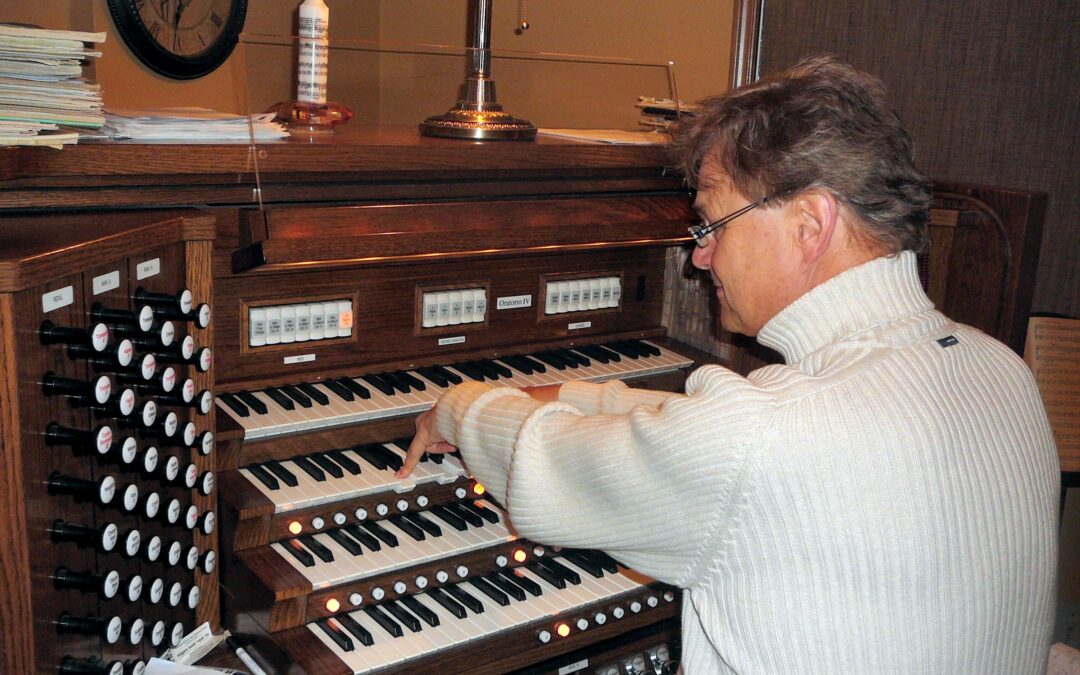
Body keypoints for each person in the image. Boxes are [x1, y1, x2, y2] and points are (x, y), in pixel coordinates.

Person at [397, 55, 1059, 674]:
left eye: (713, 222)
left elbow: (552, 463)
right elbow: (731, 445)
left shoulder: (763, 435)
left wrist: (461, 406)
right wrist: (580, 393)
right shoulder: (1002, 369)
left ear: (810, 224)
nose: (698, 257)